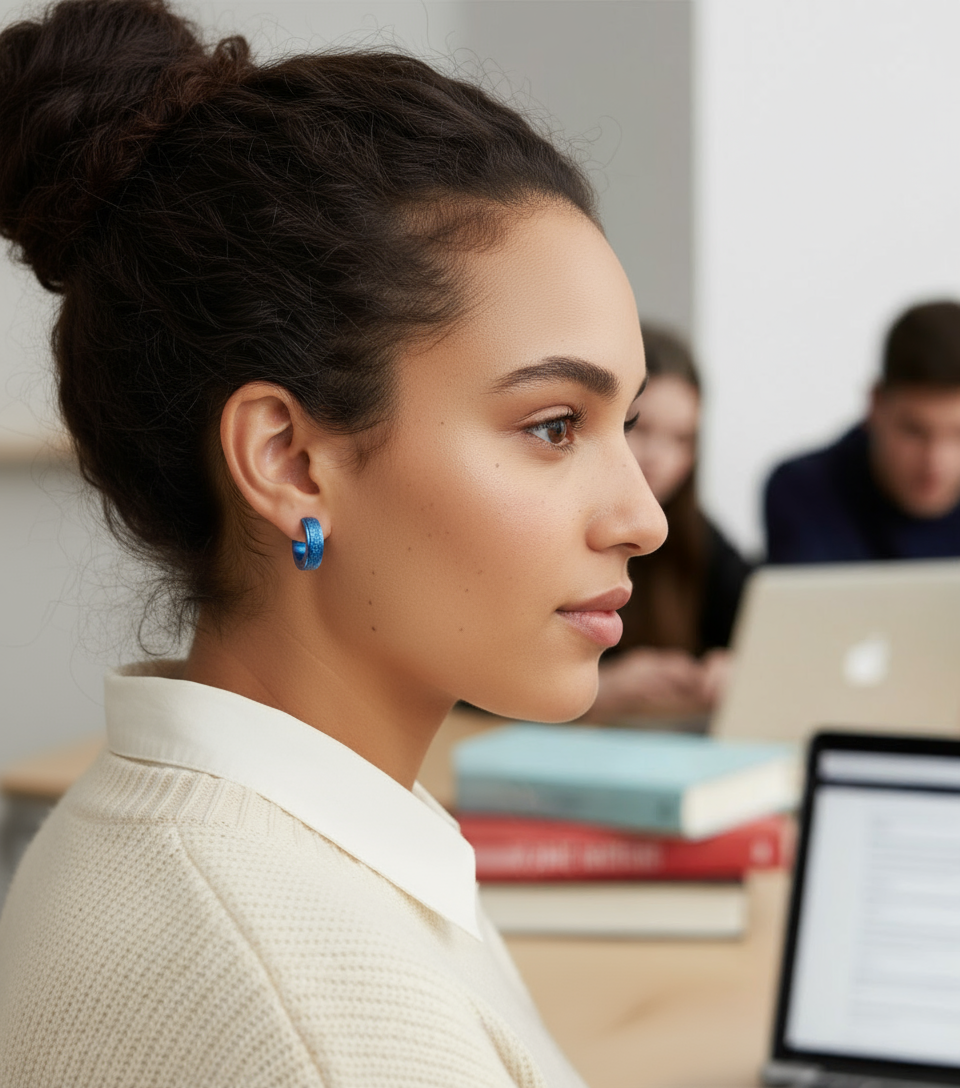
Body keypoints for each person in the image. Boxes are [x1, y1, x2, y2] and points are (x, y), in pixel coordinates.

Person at [0, 1, 667, 1084]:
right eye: (554, 426)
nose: (644, 516)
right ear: (291, 461)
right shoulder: (322, 1019)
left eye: (625, 424)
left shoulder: (184, 834)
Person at [587, 325, 752, 722]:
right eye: (640, 428)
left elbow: (761, 624)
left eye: (681, 439)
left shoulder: (696, 533)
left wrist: (739, 667)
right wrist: (599, 690)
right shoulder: (544, 531)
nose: (659, 458)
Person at [765, 300, 960, 564]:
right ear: (875, 405)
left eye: (957, 434)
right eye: (915, 431)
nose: (935, 460)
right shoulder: (803, 492)